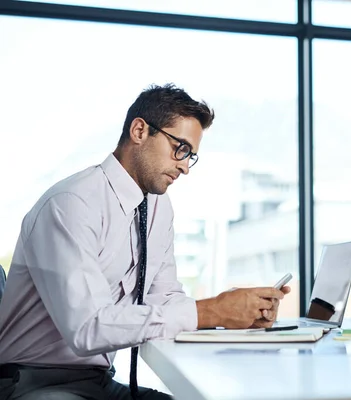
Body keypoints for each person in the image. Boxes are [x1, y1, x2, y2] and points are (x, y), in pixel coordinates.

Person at [0, 83, 290, 400]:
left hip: (97, 381)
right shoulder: (71, 204)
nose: (184, 166)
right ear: (139, 130)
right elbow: (87, 328)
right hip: (34, 382)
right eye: (180, 148)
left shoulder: (157, 208)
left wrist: (236, 309)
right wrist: (211, 312)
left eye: (190, 156)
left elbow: (163, 297)